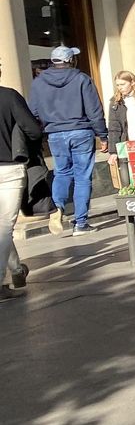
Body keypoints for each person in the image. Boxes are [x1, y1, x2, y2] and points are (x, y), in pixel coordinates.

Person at [29, 46, 107, 236]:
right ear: (71, 60)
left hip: (55, 133)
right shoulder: (82, 79)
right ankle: (81, 223)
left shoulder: (39, 83)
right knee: (82, 177)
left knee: (62, 172)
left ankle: (57, 208)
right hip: (81, 131)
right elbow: (94, 111)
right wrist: (103, 135)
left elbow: (33, 112)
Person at [0, 60, 41, 297]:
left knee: (2, 227)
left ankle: (16, 270)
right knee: (4, 226)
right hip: (9, 168)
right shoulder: (9, 97)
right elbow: (33, 130)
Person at [105, 70, 135, 188]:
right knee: (128, 180)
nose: (120, 87)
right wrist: (113, 151)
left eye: (123, 84)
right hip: (127, 142)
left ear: (132, 82)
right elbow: (114, 127)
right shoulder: (116, 101)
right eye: (118, 85)